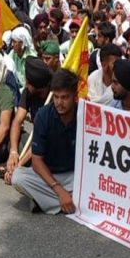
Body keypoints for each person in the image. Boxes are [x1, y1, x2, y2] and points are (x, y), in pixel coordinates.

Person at [11, 69, 79, 214]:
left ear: (75, 96)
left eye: (65, 97)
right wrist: (59, 190)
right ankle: (69, 201)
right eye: (56, 97)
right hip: (48, 177)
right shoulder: (43, 115)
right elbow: (36, 161)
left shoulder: (84, 115)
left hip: (75, 176)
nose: (59, 103)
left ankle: (47, 202)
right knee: (18, 177)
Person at [4, 58, 52, 183]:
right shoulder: (29, 92)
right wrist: (13, 152)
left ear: (37, 86)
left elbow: (41, 141)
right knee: (13, 138)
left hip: (46, 145)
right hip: (33, 141)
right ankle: (15, 166)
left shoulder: (53, 99)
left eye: (27, 82)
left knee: (42, 156)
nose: (25, 84)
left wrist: (18, 166)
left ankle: (20, 170)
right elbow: (17, 122)